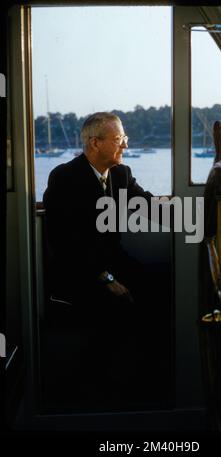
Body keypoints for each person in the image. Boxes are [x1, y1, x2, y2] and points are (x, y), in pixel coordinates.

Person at [42, 112, 165, 409]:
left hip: (114, 262)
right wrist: (106, 279)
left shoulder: (121, 175)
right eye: (119, 139)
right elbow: (66, 245)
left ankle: (150, 378)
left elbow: (151, 207)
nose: (125, 145)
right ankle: (99, 389)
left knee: (161, 283)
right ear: (95, 143)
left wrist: (198, 215)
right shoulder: (64, 177)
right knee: (115, 305)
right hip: (78, 273)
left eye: (125, 138)